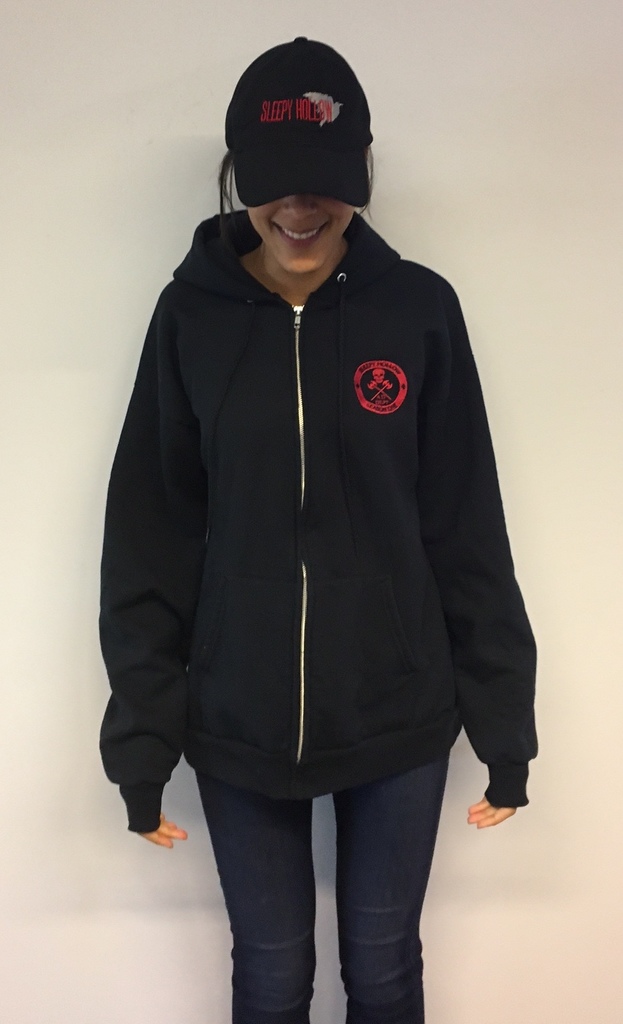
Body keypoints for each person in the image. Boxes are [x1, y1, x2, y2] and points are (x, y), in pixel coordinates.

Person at [99, 37, 537, 1024]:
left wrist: (503, 725)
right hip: (239, 718)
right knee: (270, 975)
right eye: (274, 183)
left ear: (361, 171)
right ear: (237, 172)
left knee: (382, 972)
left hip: (397, 712)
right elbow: (150, 539)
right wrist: (142, 740)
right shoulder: (190, 318)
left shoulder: (417, 310)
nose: (299, 209)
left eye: (325, 182)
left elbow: (466, 526)